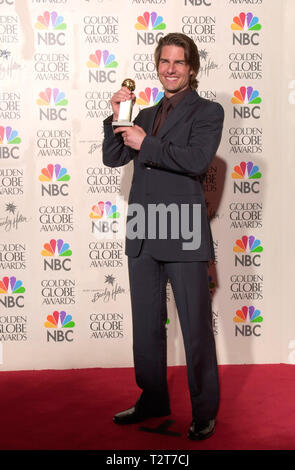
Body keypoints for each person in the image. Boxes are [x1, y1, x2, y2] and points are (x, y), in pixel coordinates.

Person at [102, 32, 224, 441]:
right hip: (143, 229)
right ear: (158, 65)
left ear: (191, 68)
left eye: (179, 62)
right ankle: (152, 398)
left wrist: (147, 143)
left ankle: (205, 409)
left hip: (184, 229)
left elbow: (196, 160)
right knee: (146, 328)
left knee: (195, 327)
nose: (170, 69)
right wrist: (117, 114)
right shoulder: (143, 112)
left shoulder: (208, 111)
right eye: (164, 62)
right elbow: (114, 156)